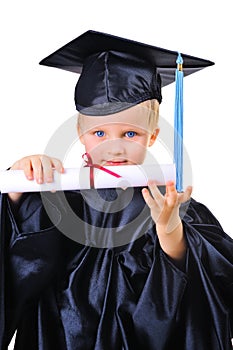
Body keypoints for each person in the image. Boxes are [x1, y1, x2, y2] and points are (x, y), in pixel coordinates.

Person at [0, 30, 233, 350]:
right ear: (80, 133)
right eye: (99, 132)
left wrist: (169, 231)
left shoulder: (171, 203)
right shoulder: (60, 203)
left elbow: (204, 285)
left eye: (130, 133)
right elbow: (19, 252)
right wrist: (18, 187)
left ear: (153, 136)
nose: (114, 147)